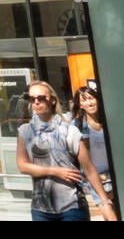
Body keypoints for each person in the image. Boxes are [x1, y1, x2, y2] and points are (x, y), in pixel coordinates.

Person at [16, 80, 112, 221]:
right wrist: (55, 171)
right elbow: (22, 166)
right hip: (40, 208)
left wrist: (105, 203)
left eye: (41, 98)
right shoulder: (25, 131)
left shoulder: (69, 130)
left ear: (53, 100)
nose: (36, 102)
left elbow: (89, 169)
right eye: (32, 99)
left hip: (71, 206)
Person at [71, 85, 118, 221]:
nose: (89, 103)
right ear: (80, 105)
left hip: (117, 175)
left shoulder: (109, 120)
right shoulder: (77, 126)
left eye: (91, 98)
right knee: (110, 216)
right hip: (97, 178)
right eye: (84, 100)